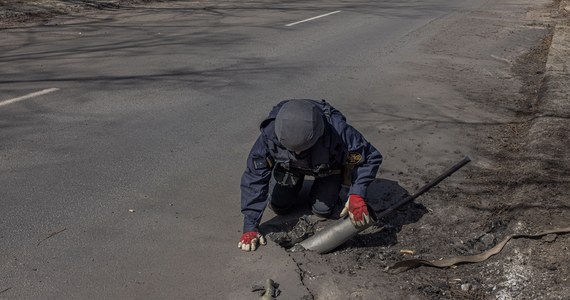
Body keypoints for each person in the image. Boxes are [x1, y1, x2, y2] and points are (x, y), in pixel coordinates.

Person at [238, 99, 383, 251]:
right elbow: (254, 175)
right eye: (293, 150)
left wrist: (357, 194)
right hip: (289, 168)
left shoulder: (338, 131)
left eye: (303, 148)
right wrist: (250, 226)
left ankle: (330, 184)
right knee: (279, 206)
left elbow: (371, 157)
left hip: (327, 169)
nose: (298, 153)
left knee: (322, 210)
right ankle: (294, 183)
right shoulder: (271, 132)